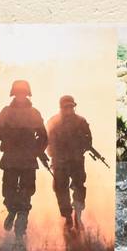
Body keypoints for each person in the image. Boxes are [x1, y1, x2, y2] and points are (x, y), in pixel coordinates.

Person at [0, 80, 48, 240]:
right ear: (14, 94)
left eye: (23, 93)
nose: (21, 96)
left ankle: (19, 233)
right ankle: (11, 210)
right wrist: (9, 136)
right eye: (18, 93)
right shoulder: (6, 112)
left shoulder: (34, 113)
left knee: (26, 192)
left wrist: (37, 150)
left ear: (27, 94)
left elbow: (43, 137)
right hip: (11, 158)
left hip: (28, 159)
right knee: (8, 191)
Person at [46, 94, 93, 231]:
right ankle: (68, 217)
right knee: (61, 190)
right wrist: (55, 156)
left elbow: (88, 141)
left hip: (76, 161)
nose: (69, 110)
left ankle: (77, 216)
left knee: (79, 186)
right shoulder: (53, 122)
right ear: (61, 108)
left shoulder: (81, 122)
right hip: (60, 162)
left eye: (71, 107)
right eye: (66, 107)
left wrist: (79, 149)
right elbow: (48, 142)